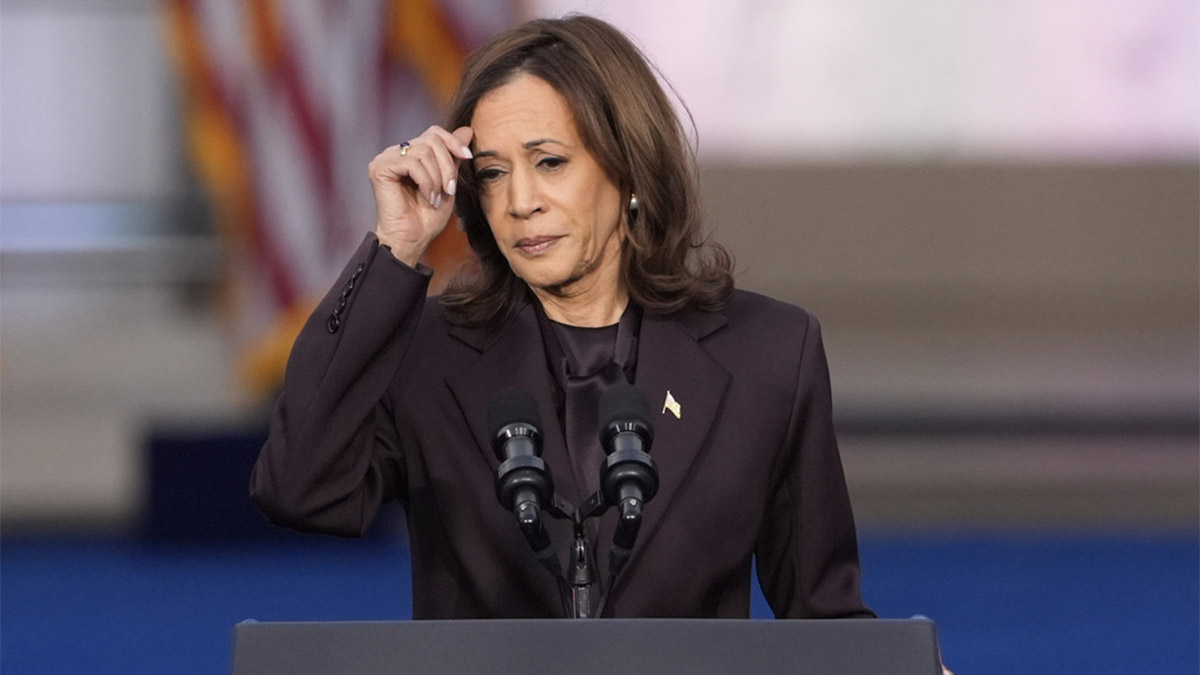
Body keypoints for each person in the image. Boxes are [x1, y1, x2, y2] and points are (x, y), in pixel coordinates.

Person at [251, 14, 874, 621]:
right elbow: (302, 490)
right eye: (493, 174)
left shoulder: (766, 353)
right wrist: (394, 249)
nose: (521, 203)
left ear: (627, 166)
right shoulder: (423, 352)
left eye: (549, 162)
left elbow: (825, 616)